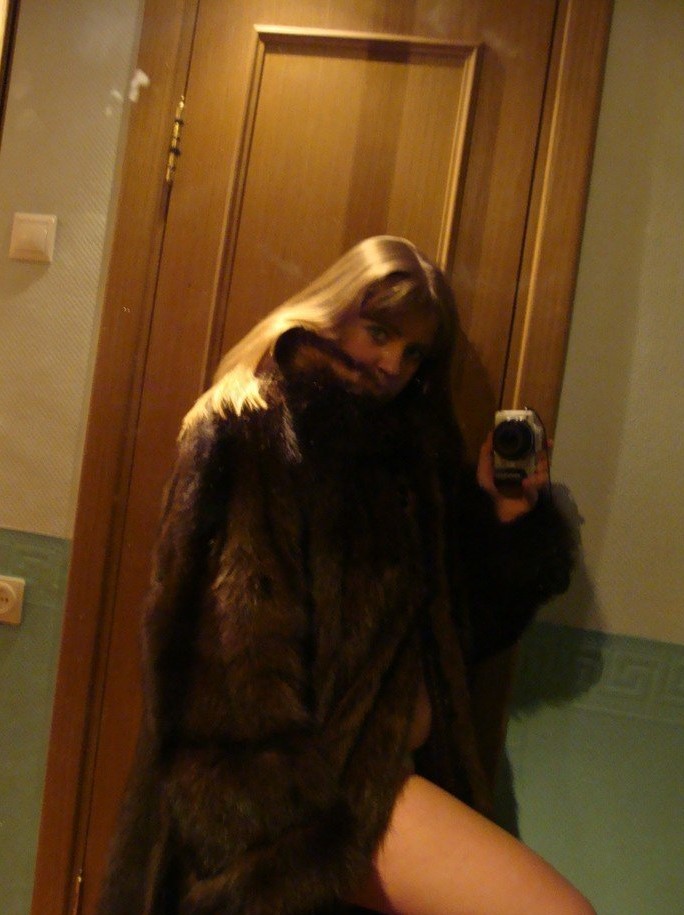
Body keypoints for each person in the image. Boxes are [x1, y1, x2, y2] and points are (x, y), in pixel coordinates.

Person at [98, 236, 594, 915]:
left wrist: (504, 522)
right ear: (331, 312)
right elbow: (225, 668)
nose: (392, 364)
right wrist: (289, 849)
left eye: (413, 352)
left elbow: (452, 637)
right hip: (323, 801)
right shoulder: (254, 432)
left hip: (381, 778)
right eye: (380, 332)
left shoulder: (405, 456)